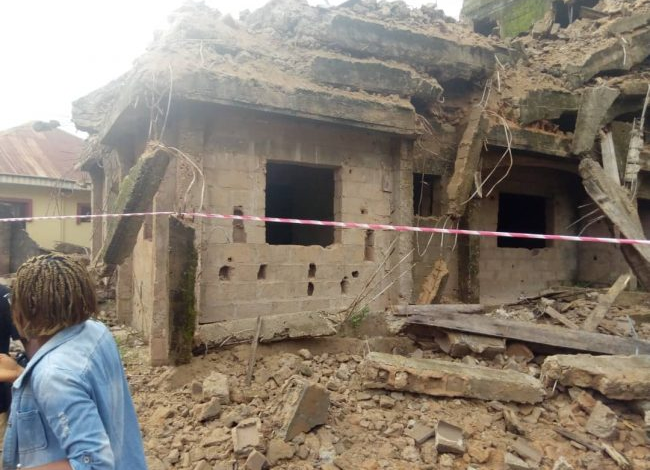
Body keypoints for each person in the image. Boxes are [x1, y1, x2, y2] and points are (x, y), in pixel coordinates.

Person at [1, 254, 147, 470]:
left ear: (25, 310)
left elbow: (94, 463)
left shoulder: (54, 376)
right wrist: (23, 374)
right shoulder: (96, 332)